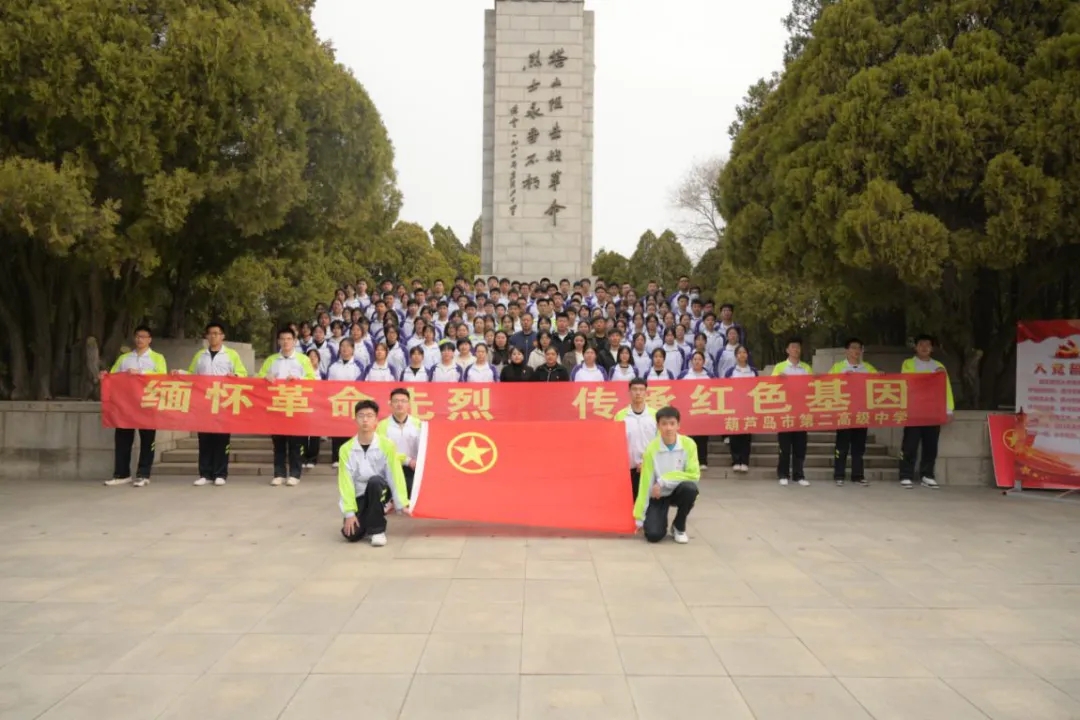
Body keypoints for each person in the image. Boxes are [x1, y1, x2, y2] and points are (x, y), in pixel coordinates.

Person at [184, 321, 248, 487]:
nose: (213, 336)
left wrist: (235, 375)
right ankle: (204, 473)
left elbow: (243, 374)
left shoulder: (231, 355)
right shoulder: (200, 355)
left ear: (223, 336)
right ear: (206, 336)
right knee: (204, 439)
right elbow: (192, 375)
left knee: (221, 439)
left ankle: (220, 473)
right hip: (204, 404)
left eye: (217, 333)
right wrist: (179, 374)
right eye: (210, 333)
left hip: (223, 403)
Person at [339, 399, 410, 547]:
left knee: (375, 481)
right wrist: (349, 513)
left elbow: (394, 474)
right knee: (351, 535)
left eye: (370, 416)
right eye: (361, 415)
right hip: (360, 494)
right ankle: (367, 520)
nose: (365, 419)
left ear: (376, 420)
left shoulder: (387, 445)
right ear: (355, 419)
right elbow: (345, 482)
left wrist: (400, 503)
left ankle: (377, 530)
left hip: (380, 489)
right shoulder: (346, 449)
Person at [105, 325, 168, 488]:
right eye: (138, 336)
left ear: (149, 339)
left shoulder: (157, 357)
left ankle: (143, 474)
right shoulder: (125, 358)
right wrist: (105, 376)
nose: (140, 339)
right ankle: (121, 473)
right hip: (126, 406)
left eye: (143, 337)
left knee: (147, 440)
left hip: (147, 405)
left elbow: (163, 377)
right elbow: (113, 376)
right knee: (123, 439)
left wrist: (141, 374)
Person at [257, 326, 317, 486]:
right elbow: (258, 377)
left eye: (289, 339)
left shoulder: (303, 359)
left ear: (295, 341)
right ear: (278, 341)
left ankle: (295, 474)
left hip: (296, 406)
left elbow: (312, 379)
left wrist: (298, 379)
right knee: (278, 443)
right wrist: (265, 377)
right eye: (282, 339)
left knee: (296, 443)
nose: (285, 342)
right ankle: (279, 473)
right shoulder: (271, 360)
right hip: (277, 407)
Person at [634, 406, 700, 544]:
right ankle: (658, 522)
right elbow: (645, 483)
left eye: (672, 423)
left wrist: (663, 481)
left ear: (678, 425)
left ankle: (679, 526)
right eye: (664, 424)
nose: (668, 428)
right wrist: (639, 518)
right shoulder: (652, 449)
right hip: (658, 495)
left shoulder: (689, 444)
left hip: (677, 491)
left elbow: (694, 474)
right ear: (658, 426)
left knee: (690, 489)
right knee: (653, 535)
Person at [899, 334, 955, 489]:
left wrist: (948, 409)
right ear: (916, 347)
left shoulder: (939, 366)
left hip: (933, 412)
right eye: (921, 344)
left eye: (928, 345)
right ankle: (906, 475)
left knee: (931, 445)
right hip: (914, 410)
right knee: (910, 444)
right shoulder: (908, 364)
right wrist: (931, 377)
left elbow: (946, 388)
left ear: (932, 348)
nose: (924, 347)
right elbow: (907, 380)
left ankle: (927, 475)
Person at [829, 338, 881, 486]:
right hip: (844, 412)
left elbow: (878, 384)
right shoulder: (838, 367)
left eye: (859, 348)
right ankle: (839, 474)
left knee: (859, 446)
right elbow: (828, 384)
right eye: (853, 348)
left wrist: (881, 376)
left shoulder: (868, 368)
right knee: (842, 445)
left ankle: (857, 475)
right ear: (847, 351)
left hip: (861, 412)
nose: (856, 351)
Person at [772, 337, 813, 486]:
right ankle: (783, 473)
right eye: (793, 347)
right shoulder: (780, 367)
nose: (796, 350)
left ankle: (799, 474)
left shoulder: (806, 368)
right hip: (785, 412)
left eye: (798, 347)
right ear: (787, 350)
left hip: (801, 412)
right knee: (784, 446)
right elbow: (770, 386)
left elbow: (811, 387)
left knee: (800, 445)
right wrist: (778, 379)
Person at [376, 389, 423, 499]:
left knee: (411, 494)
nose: (399, 404)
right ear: (390, 404)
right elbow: (383, 452)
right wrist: (406, 460)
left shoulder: (418, 424)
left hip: (413, 468)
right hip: (391, 467)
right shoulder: (382, 426)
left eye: (403, 401)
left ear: (409, 404)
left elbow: (424, 448)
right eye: (396, 401)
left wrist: (418, 463)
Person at [615, 377, 657, 499]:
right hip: (628, 470)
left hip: (650, 468)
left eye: (641, 389)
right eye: (634, 389)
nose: (638, 393)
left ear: (646, 392)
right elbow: (617, 444)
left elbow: (659, 443)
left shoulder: (655, 415)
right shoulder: (620, 416)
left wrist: (647, 462)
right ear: (629, 392)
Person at [724, 345, 758, 472]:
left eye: (744, 352)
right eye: (739, 352)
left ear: (747, 355)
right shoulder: (730, 372)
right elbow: (726, 389)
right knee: (734, 434)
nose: (742, 355)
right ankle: (736, 460)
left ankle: (745, 461)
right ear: (736, 355)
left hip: (748, 407)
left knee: (746, 435)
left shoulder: (753, 371)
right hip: (734, 406)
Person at [679, 350, 713, 470]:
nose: (697, 361)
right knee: (688, 439)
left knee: (702, 438)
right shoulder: (684, 375)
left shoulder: (709, 376)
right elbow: (677, 390)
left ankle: (703, 461)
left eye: (699, 359)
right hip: (688, 411)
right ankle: (688, 462)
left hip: (703, 410)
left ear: (704, 361)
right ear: (691, 361)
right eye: (695, 359)